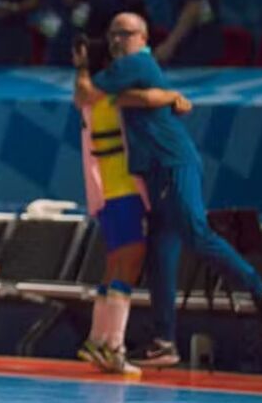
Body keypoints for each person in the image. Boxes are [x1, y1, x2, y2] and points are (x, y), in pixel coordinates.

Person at [73, 13, 262, 367]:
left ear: (142, 38)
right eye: (111, 35)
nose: (115, 41)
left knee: (197, 234)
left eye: (123, 34)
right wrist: (162, 96)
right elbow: (132, 98)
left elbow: (91, 93)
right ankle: (164, 341)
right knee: (160, 256)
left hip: (173, 164)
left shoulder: (136, 62)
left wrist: (83, 66)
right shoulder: (133, 71)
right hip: (155, 174)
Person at [71, 35, 193, 376]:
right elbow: (148, 96)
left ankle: (96, 340)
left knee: (114, 263)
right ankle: (114, 347)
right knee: (129, 262)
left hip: (107, 190)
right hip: (123, 188)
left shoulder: (89, 95)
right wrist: (173, 95)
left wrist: (80, 66)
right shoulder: (109, 95)